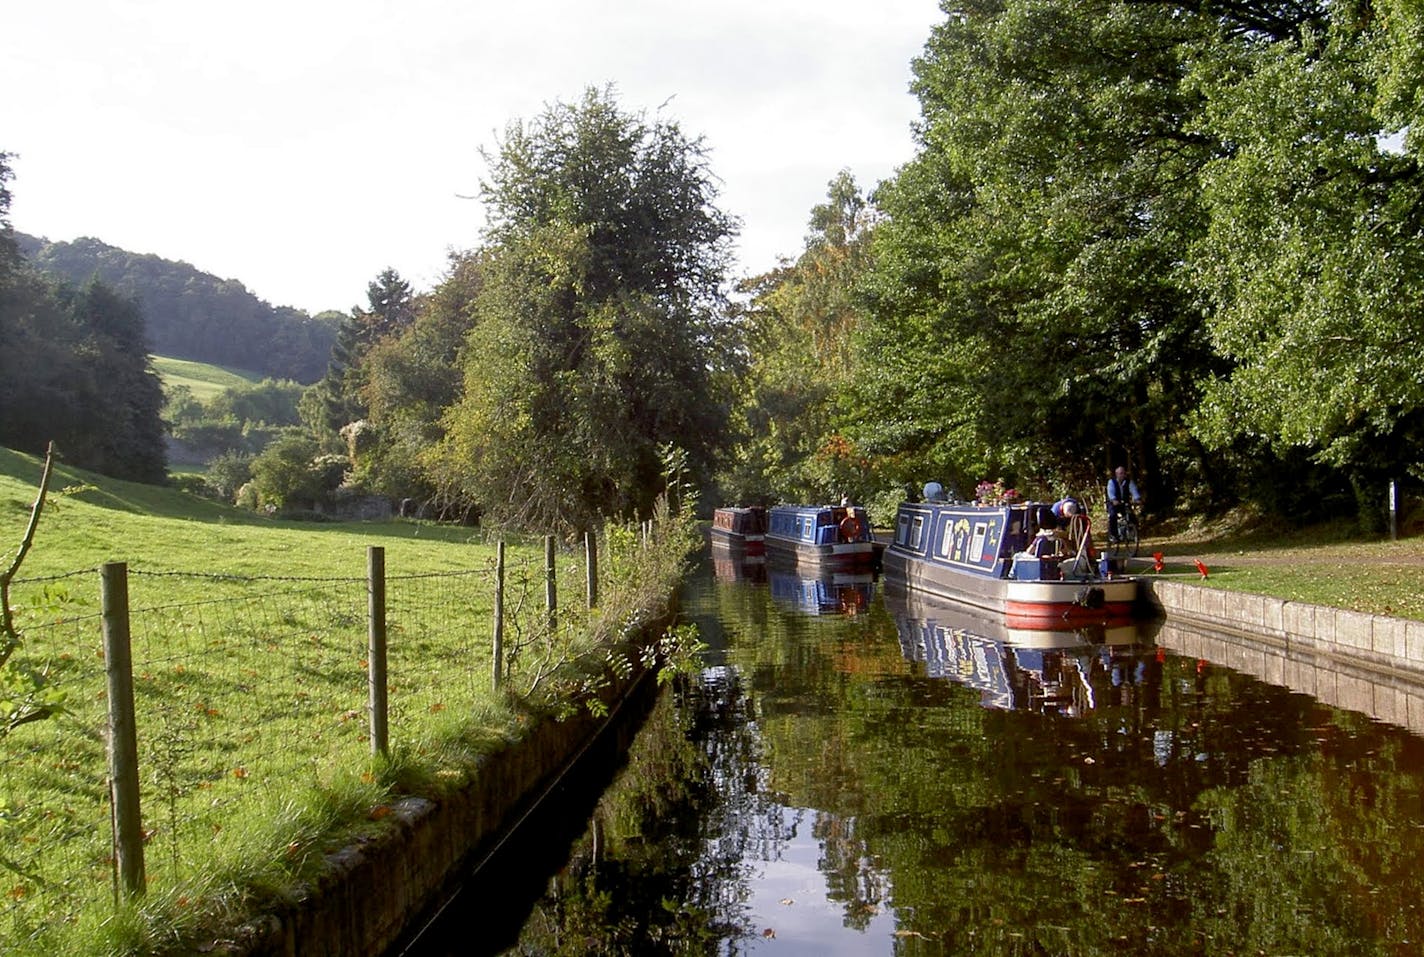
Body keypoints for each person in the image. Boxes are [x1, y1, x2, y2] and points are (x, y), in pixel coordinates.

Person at [1106, 466, 1142, 543]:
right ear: (1116, 474)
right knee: (1113, 516)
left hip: (1124, 503)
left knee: (1131, 516)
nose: (1121, 475)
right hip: (1113, 503)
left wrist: (1137, 499)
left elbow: (1133, 490)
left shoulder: (1129, 482)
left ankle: (1134, 533)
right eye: (1119, 473)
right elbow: (1110, 492)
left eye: (1123, 473)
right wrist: (1113, 499)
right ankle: (1114, 535)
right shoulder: (1112, 482)